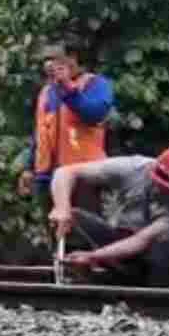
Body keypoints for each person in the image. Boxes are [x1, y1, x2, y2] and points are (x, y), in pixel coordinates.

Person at [50, 146, 169, 287]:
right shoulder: (134, 167)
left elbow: (141, 240)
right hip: (120, 241)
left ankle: (159, 296)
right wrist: (62, 207)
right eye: (160, 184)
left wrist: (93, 257)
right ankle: (79, 277)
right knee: (71, 217)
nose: (163, 191)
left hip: (155, 256)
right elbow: (66, 172)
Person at [18, 42, 115, 232]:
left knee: (84, 234)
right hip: (47, 177)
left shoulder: (96, 84)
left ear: (73, 58)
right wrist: (29, 168)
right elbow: (41, 131)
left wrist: (68, 88)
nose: (50, 65)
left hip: (83, 174)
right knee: (54, 234)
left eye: (55, 60)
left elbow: (95, 113)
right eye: (47, 61)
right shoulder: (47, 91)